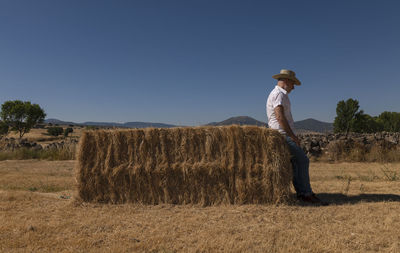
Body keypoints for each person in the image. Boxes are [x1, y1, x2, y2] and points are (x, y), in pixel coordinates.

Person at [266, 69, 328, 205]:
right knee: (303, 161)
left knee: (296, 164)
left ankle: (302, 192)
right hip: (282, 134)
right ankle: (306, 193)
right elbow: (279, 117)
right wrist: (292, 136)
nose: (294, 87)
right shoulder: (278, 94)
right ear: (287, 81)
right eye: (293, 83)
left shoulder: (280, 94)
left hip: (282, 134)